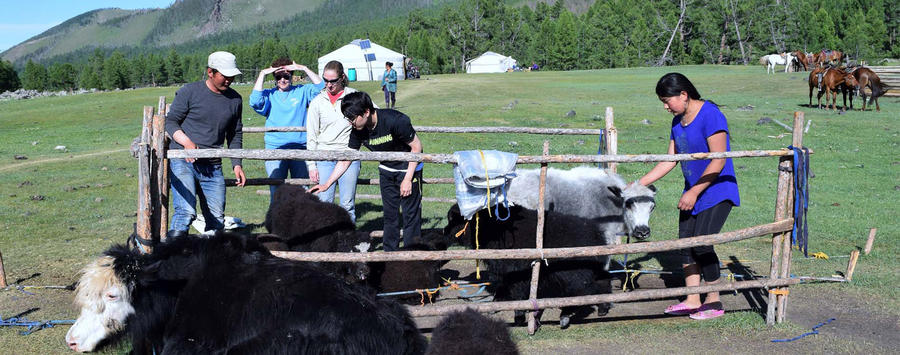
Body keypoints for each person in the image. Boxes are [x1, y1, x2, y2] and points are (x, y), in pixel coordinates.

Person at [636, 72, 740, 320]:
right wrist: (638, 183)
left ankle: (713, 300)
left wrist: (694, 191)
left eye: (666, 100)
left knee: (702, 243)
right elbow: (670, 161)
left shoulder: (711, 115)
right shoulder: (677, 122)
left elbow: (718, 159)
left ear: (683, 94)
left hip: (716, 189)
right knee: (686, 246)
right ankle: (693, 298)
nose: (665, 106)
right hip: (692, 191)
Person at [308, 92, 423, 251]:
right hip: (387, 171)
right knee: (390, 217)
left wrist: (408, 179)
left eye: (352, 118)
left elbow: (417, 147)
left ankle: (413, 256)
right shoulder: (358, 130)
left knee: (411, 217)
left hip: (409, 169)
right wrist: (327, 184)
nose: (350, 123)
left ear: (366, 112)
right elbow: (347, 158)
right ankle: (390, 257)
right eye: (347, 119)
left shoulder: (396, 120)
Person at [165, 51, 246, 237]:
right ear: (210, 72)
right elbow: (171, 122)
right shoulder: (189, 92)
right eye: (225, 76)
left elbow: (234, 133)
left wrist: (237, 164)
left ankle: (209, 261)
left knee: (216, 218)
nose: (229, 80)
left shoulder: (235, 100)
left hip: (212, 164)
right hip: (183, 160)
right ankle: (172, 256)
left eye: (232, 76)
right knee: (186, 212)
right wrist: (187, 143)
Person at [249, 57, 324, 200]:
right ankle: (277, 221)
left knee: (302, 190)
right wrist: (262, 74)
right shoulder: (269, 94)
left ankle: (300, 221)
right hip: (275, 149)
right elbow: (255, 101)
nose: (282, 80)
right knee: (276, 191)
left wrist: (304, 68)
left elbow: (322, 89)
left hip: (300, 147)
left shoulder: (302, 91)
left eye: (286, 76)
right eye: (278, 76)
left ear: (292, 76)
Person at [305, 60, 362, 223]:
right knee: (324, 204)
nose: (329, 85)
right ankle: (325, 242)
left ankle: (349, 241)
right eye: (326, 80)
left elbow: (372, 114)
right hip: (324, 158)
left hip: (348, 156)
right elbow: (312, 136)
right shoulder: (317, 102)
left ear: (342, 78)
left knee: (347, 204)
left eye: (333, 81)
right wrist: (311, 165)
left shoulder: (353, 96)